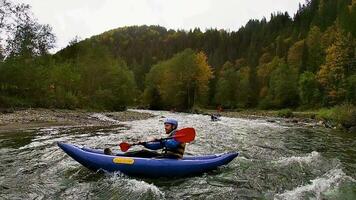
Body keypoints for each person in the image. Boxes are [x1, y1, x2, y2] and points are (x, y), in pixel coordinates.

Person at [106, 118, 186, 159]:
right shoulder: (170, 136)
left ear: (174, 126)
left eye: (167, 125)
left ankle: (116, 156)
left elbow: (172, 145)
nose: (165, 127)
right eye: (165, 125)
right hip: (166, 157)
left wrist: (161, 139)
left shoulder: (179, 135)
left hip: (173, 159)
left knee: (144, 153)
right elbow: (156, 146)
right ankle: (117, 155)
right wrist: (144, 144)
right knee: (143, 152)